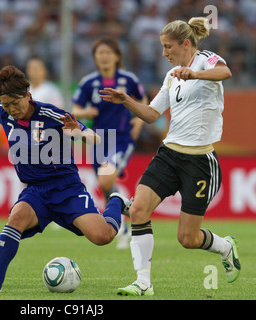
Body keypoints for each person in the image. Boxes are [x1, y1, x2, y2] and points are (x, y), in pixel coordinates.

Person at [0, 47, 131, 293]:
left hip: (66, 188)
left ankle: (116, 200)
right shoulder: (3, 110)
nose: (11, 109)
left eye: (15, 103)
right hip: (35, 191)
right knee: (15, 217)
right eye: (6, 105)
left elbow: (95, 139)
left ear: (27, 95)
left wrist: (78, 133)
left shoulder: (52, 114)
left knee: (103, 237)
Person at [100, 17, 240, 296]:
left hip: (200, 162)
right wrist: (126, 100)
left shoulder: (205, 60)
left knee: (187, 239)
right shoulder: (171, 75)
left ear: (185, 44)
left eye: (167, 47)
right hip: (169, 154)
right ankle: (143, 283)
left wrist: (195, 74)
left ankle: (225, 246)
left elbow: (226, 73)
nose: (164, 53)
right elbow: (152, 115)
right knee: (139, 210)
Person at [72, 36, 147, 249]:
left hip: (121, 138)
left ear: (117, 56)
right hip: (97, 140)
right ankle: (121, 225)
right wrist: (86, 112)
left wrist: (139, 123)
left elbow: (143, 100)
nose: (104, 57)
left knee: (105, 180)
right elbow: (75, 109)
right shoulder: (88, 82)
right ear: (95, 57)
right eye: (100, 53)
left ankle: (122, 214)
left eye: (108, 53)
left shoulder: (128, 79)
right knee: (104, 186)